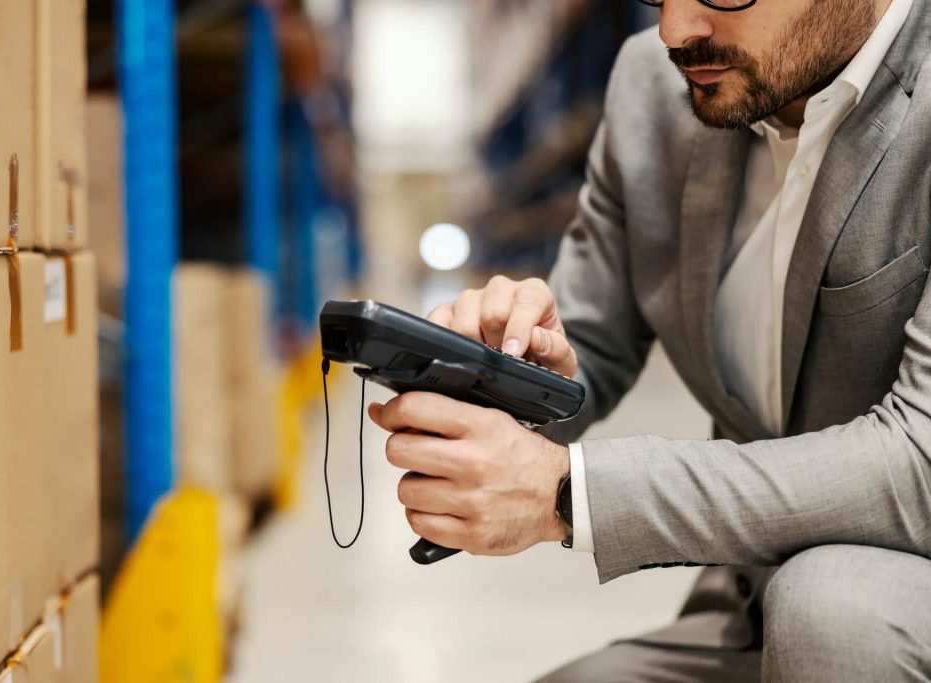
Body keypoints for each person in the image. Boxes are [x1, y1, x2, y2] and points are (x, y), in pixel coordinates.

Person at [366, 0, 931, 680]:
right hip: (755, 595)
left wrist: (571, 493)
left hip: (875, 602)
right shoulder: (654, 87)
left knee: (834, 610)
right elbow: (591, 341)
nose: (674, 30)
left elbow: (918, 466)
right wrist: (513, 362)